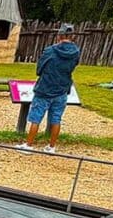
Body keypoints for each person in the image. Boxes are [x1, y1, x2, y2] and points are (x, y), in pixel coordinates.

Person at [16, 23, 81, 153]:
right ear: (72, 36)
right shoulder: (75, 52)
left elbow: (39, 69)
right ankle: (51, 147)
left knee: (36, 117)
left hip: (45, 88)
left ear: (59, 36)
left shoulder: (50, 51)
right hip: (62, 88)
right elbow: (73, 67)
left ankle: (29, 145)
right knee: (56, 118)